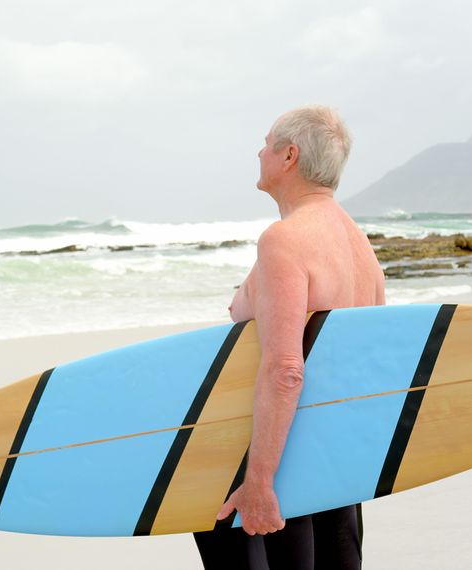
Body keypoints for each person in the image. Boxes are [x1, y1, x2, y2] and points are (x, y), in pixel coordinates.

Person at [192, 106, 385, 569]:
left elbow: (285, 370)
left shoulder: (285, 239)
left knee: (215, 525)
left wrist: (259, 481)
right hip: (336, 462)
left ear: (289, 156)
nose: (259, 152)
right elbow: (367, 367)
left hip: (282, 458)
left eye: (266, 143)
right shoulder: (361, 249)